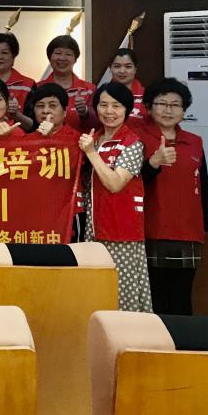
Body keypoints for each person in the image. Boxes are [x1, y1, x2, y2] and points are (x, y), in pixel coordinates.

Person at [78, 82, 153, 312]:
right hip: (94, 230)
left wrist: (90, 153)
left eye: (117, 106)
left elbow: (115, 184)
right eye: (103, 105)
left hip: (121, 230)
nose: (109, 111)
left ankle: (128, 335)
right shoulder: (94, 138)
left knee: (122, 293)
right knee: (96, 292)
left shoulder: (132, 143)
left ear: (127, 110)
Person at [137, 78, 208, 315]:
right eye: (162, 104)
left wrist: (205, 226)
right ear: (149, 107)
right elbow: (130, 183)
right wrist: (152, 163)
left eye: (175, 105)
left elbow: (202, 186)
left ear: (183, 110)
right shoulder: (137, 138)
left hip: (188, 231)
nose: (168, 110)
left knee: (182, 297)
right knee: (156, 298)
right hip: (151, 228)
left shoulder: (194, 142)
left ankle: (181, 339)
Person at [40, 34, 95, 131]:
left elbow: (97, 125)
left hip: (79, 140)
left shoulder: (89, 89)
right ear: (49, 57)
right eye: (58, 53)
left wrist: (85, 112)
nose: (62, 58)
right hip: (46, 140)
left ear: (75, 59)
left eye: (68, 54)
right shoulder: (38, 88)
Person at [109, 48, 147, 122]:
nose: (122, 71)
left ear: (135, 69)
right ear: (110, 68)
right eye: (117, 66)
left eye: (128, 66)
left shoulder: (147, 95)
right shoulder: (101, 94)